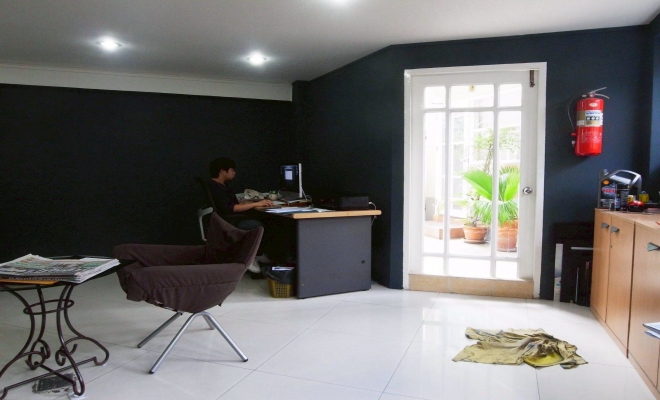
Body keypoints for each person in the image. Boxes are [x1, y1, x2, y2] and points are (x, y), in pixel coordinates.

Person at [208, 157, 273, 273]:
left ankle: (259, 255)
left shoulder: (220, 185)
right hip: (230, 221)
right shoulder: (216, 188)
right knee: (260, 226)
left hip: (228, 219)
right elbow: (231, 208)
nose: (234, 172)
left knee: (265, 220)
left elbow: (231, 204)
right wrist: (257, 204)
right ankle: (252, 257)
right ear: (222, 171)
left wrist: (250, 203)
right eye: (232, 170)